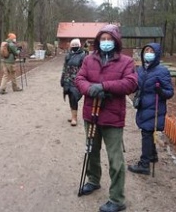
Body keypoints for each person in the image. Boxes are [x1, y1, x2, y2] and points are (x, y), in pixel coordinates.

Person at [75, 24, 138, 212]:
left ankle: (117, 199)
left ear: (116, 41)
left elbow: (131, 83)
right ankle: (93, 180)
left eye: (109, 39)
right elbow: (79, 79)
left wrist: (104, 86)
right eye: (102, 39)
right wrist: (90, 89)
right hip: (91, 113)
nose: (105, 42)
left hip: (112, 117)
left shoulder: (126, 62)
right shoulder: (89, 59)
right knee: (91, 151)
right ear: (97, 41)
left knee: (115, 158)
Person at [128, 43, 174, 175]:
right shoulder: (141, 69)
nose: (148, 53)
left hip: (155, 107)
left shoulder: (162, 71)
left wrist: (160, 91)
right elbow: (137, 85)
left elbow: (169, 93)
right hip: (143, 106)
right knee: (147, 131)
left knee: (147, 133)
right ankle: (152, 155)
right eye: (146, 50)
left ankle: (144, 164)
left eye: (151, 51)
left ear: (157, 54)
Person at [60, 38, 86, 126]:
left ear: (79, 46)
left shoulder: (83, 55)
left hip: (77, 81)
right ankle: (73, 116)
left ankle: (74, 118)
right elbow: (65, 67)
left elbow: (85, 69)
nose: (74, 47)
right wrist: (62, 78)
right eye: (73, 45)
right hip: (67, 80)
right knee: (70, 97)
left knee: (74, 97)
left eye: (76, 45)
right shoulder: (68, 55)